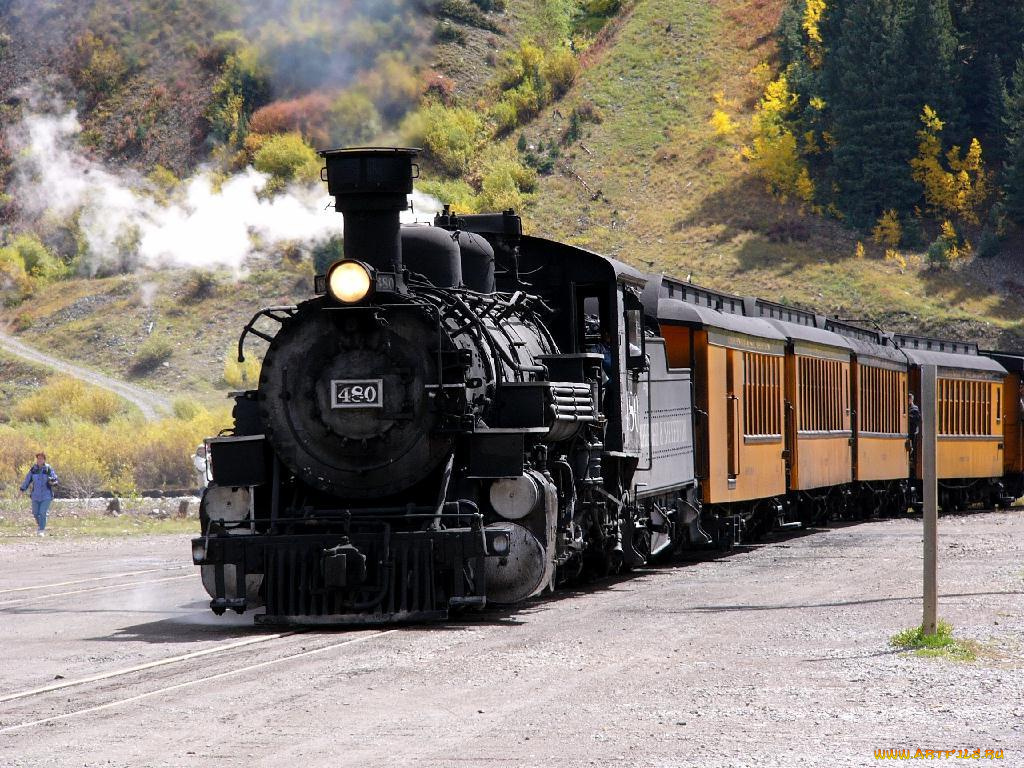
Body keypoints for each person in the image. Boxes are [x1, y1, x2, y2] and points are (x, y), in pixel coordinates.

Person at [19, 452, 58, 537]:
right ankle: (40, 525)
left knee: (42, 512)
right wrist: (22, 489)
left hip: (46, 495)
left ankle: (41, 530)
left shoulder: (48, 469)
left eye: (41, 458)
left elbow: (55, 479)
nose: (39, 460)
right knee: (35, 513)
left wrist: (53, 481)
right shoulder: (33, 469)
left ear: (44, 460)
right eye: (38, 458)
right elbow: (27, 479)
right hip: (35, 495)